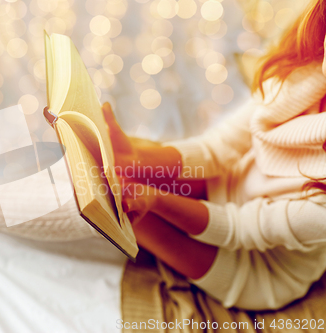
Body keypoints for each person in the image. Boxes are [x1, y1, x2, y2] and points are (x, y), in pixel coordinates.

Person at [103, 0, 326, 310]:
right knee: (116, 174)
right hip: (228, 186)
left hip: (256, 269)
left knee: (121, 214)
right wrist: (134, 157)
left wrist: (153, 199)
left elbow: (240, 229)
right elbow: (218, 148)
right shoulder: (309, 75)